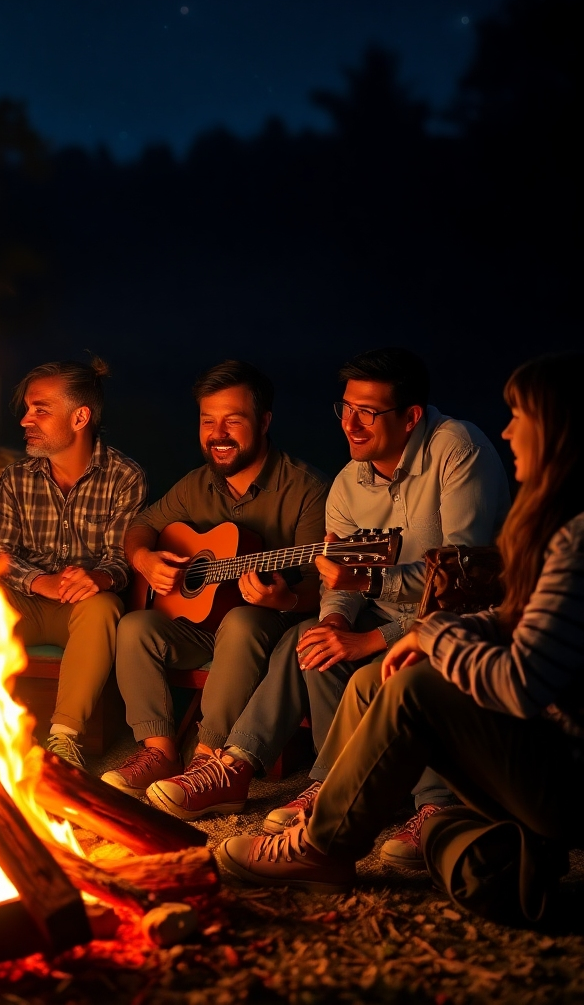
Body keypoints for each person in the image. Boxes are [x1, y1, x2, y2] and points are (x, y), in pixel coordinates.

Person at [216, 352, 584, 919]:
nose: (506, 430)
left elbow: (502, 645)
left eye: (518, 416)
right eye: (346, 409)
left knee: (411, 689)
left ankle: (323, 846)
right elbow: (513, 613)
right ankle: (260, 770)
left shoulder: (564, 530)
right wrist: (342, 617)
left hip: (567, 765)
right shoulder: (560, 528)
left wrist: (425, 635)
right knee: (334, 657)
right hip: (457, 664)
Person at [155, 348, 508, 863]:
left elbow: (463, 582)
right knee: (311, 640)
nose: (352, 423)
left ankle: (434, 806)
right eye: (345, 408)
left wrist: (366, 623)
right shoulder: (347, 483)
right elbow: (340, 582)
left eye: (369, 411)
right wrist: (338, 617)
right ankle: (242, 766)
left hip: (459, 619)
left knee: (408, 660)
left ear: (411, 417)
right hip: (383, 613)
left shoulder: (457, 449)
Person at [102, 360, 328, 794]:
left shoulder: (308, 490)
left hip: (269, 626)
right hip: (202, 627)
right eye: (208, 421)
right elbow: (140, 527)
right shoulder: (195, 484)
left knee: (242, 621)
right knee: (135, 626)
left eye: (233, 420)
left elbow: (324, 585)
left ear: (264, 421)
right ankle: (160, 752)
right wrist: (145, 559)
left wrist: (285, 601)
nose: (218, 433)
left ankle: (208, 758)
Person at [0, 358, 147, 768]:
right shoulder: (16, 478)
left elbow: (122, 559)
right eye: (27, 409)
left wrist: (96, 577)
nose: (26, 420)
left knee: (104, 609)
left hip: (81, 606)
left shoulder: (124, 477)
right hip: (24, 602)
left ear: (80, 417)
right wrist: (41, 581)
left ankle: (64, 740)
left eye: (40, 409)